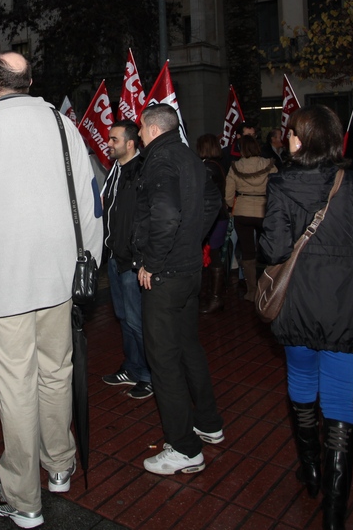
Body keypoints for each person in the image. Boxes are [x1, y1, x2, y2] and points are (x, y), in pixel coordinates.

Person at [0, 52, 102, 528]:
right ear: (30, 82)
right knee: (56, 373)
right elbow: (91, 204)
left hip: (2, 284)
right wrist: (86, 263)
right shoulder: (63, 126)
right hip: (58, 280)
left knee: (17, 387)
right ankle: (60, 465)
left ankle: (23, 495)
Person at [258, 105, 353, 530]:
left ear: (301, 139)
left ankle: (310, 467)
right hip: (345, 300)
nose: (287, 137)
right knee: (340, 398)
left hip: (296, 300)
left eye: (291, 132)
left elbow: (273, 250)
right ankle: (334, 512)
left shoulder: (279, 185)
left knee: (301, 382)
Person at [131, 104, 225, 476]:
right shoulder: (188, 154)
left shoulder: (159, 160)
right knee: (188, 347)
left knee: (163, 361)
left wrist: (152, 261)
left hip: (166, 275)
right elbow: (212, 200)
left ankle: (185, 448)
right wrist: (191, 239)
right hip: (188, 271)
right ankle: (209, 423)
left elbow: (166, 214)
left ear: (154, 130)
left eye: (140, 129)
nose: (138, 135)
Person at [100, 118, 151, 400]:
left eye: (114, 140)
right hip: (116, 259)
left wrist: (141, 257)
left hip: (133, 262)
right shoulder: (115, 171)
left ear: (130, 144)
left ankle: (148, 375)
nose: (108, 144)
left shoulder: (141, 171)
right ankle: (132, 367)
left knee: (136, 320)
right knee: (124, 318)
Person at [224, 134, 276, 302]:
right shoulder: (269, 164)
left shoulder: (236, 166)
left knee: (247, 251)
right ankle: (271, 288)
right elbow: (277, 188)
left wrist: (231, 205)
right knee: (270, 250)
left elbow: (228, 194)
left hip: (242, 211)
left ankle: (252, 291)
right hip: (264, 210)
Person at [195, 134, 231, 314]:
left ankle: (215, 297)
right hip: (219, 215)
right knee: (212, 254)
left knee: (213, 255)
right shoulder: (215, 165)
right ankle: (212, 294)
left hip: (215, 217)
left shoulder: (208, 168)